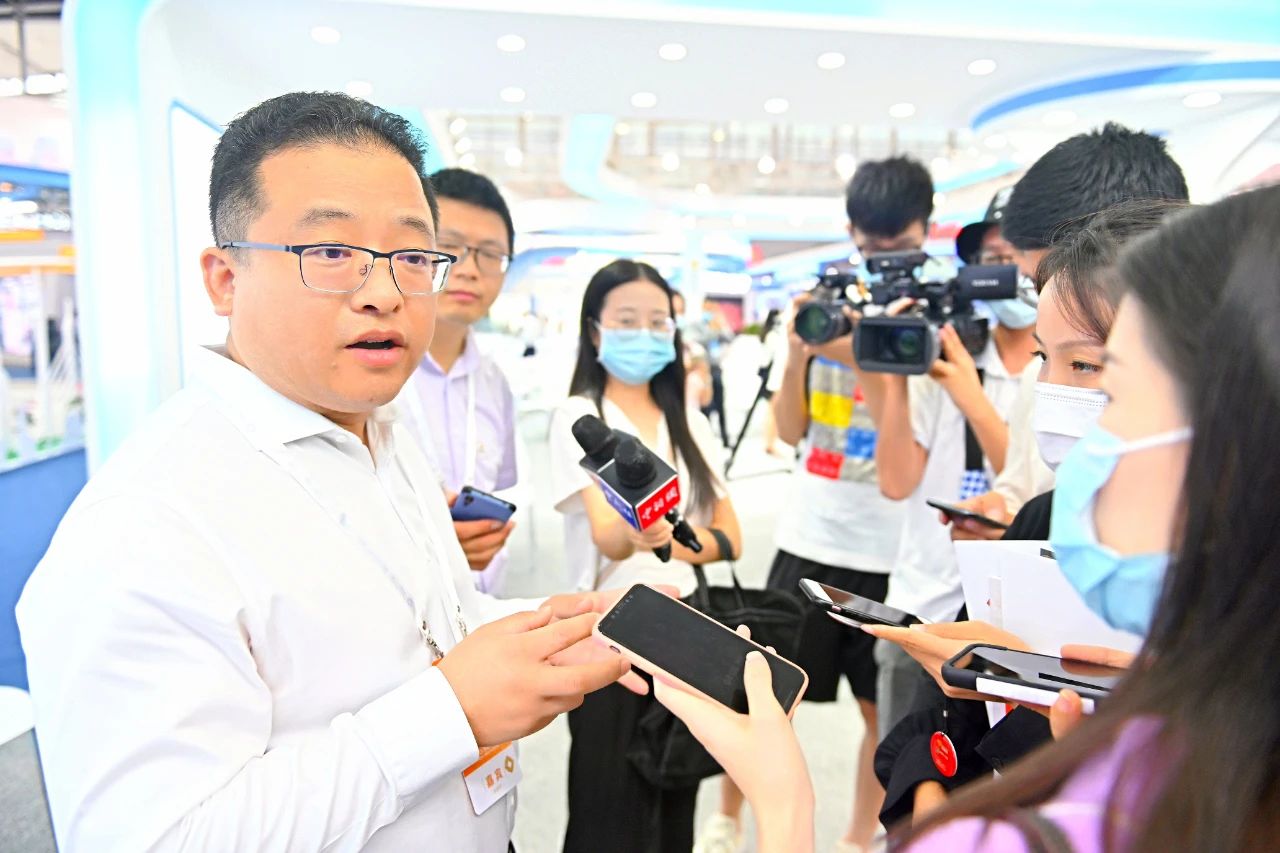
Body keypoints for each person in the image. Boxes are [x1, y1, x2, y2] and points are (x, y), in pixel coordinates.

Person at [15, 92, 635, 852]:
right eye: (331, 253)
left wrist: (560, 621)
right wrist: (450, 713)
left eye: (413, 257)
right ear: (224, 278)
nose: (384, 293)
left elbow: (430, 625)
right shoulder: (143, 524)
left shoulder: (383, 430)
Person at [655, 184, 1280, 852]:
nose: (1054, 394)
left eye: (1101, 373)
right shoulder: (1177, 720)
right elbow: (923, 740)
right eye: (1043, 359)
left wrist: (783, 807)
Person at [866, 198, 1185, 827]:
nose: (1051, 390)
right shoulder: (1044, 521)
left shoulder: (1241, 589)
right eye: (1044, 359)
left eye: (1086, 364)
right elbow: (935, 728)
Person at [696, 156, 923, 853]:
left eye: (898, 244)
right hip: (808, 536)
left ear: (924, 230)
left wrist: (865, 352)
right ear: (852, 233)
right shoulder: (824, 308)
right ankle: (728, 820)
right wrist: (801, 351)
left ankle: (857, 838)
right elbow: (789, 432)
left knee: (880, 713)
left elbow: (907, 448)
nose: (882, 256)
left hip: (888, 549)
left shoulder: (922, 321)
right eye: (872, 243)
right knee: (760, 689)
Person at [548, 259, 743, 853]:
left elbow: (730, 538)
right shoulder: (581, 418)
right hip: (609, 630)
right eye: (627, 319)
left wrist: (671, 541)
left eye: (659, 321)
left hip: (689, 632)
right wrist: (640, 536)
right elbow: (606, 536)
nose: (646, 333)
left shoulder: (688, 422)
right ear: (594, 330)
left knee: (672, 800)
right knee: (606, 808)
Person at [943, 123, 1191, 539]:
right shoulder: (1044, 380)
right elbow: (1022, 488)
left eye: (1086, 364)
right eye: (1035, 283)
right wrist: (1009, 522)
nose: (1045, 295)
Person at [859, 179, 1038, 736]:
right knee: (904, 770)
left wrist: (969, 395)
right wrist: (896, 371)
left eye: (1015, 257)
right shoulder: (946, 353)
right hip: (923, 609)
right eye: (991, 258)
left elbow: (1033, 491)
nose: (1004, 271)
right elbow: (896, 482)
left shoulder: (1060, 370)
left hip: (1018, 621)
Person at [394, 167, 519, 593]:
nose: (469, 270)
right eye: (449, 248)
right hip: (400, 605)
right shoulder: (370, 370)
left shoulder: (495, 383)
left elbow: (498, 483)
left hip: (483, 603)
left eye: (491, 255)